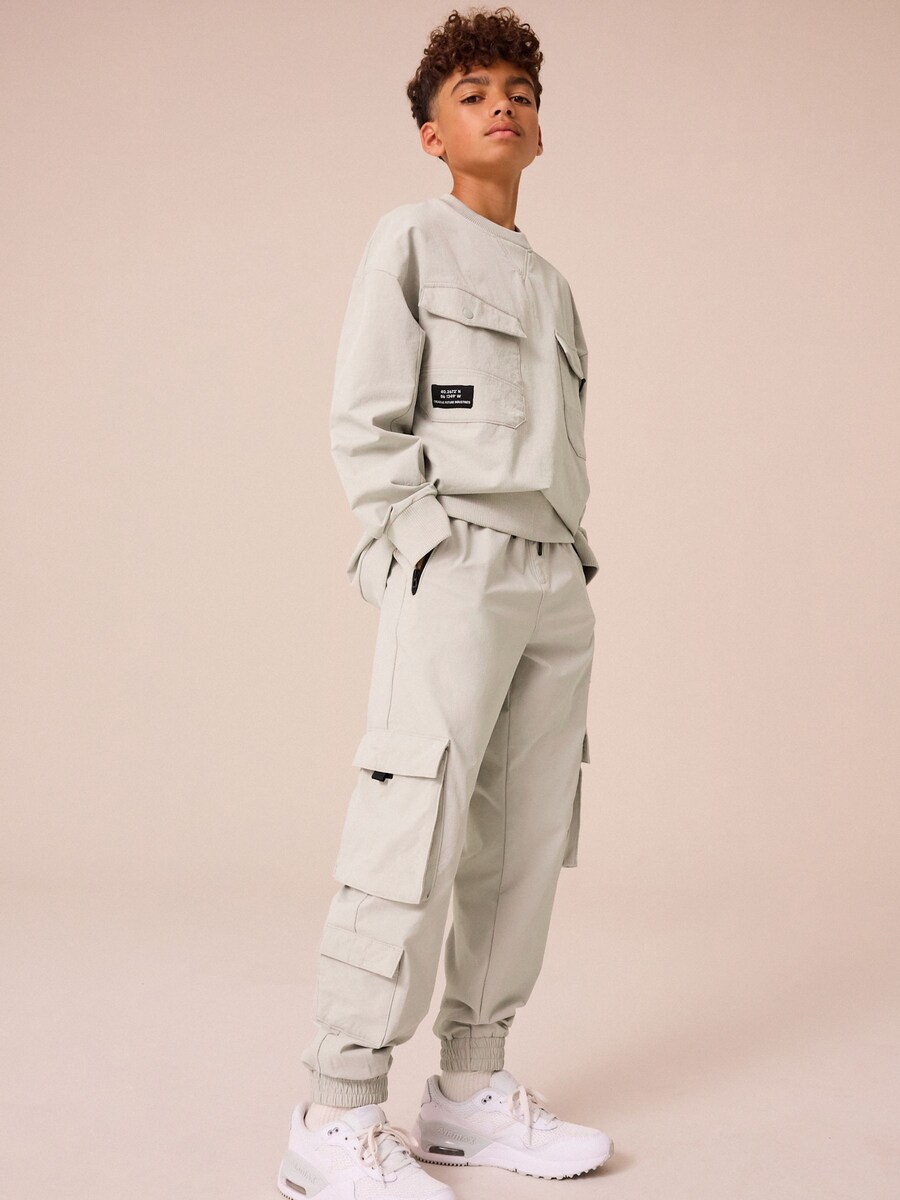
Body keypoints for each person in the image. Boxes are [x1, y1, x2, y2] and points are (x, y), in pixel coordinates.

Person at [276, 8, 614, 1197]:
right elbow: (365, 421)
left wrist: (569, 566)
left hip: (552, 577)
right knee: (410, 823)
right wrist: (426, 552)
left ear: (540, 129)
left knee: (524, 840)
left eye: (519, 90)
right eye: (473, 93)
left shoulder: (555, 287)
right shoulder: (411, 238)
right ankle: (336, 1111)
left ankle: (470, 1089)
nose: (501, 105)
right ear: (432, 134)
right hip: (458, 563)